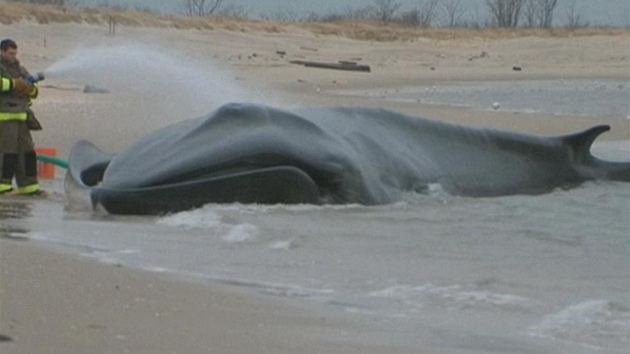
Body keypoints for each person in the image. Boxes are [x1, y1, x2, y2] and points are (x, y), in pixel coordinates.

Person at [0, 38, 44, 196]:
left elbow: (35, 91)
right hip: (4, 119)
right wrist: (14, 84)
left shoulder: (20, 68)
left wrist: (28, 88)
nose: (14, 56)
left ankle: (29, 187)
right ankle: (2, 187)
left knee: (27, 153)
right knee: (7, 153)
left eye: (15, 53)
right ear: (2, 52)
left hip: (23, 118)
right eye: (10, 53)